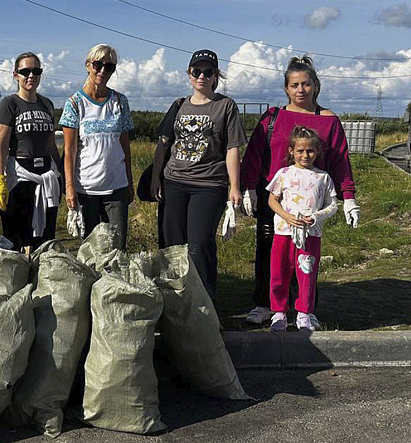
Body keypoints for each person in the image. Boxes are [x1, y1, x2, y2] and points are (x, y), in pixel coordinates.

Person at [240, 55, 360, 325]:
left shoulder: (329, 121)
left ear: (316, 85)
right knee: (270, 253)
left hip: (311, 203)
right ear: (286, 88)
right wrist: (249, 187)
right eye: (294, 85)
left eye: (306, 84)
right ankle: (266, 304)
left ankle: (304, 308)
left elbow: (340, 162)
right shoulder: (273, 117)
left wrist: (348, 197)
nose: (300, 90)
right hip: (276, 198)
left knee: (306, 256)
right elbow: (254, 155)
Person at [150, 49, 246, 300]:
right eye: (197, 71)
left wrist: (234, 186)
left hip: (209, 184)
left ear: (216, 76)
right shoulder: (179, 105)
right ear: (189, 74)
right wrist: (155, 178)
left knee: (199, 244)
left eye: (208, 71)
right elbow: (163, 144)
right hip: (174, 182)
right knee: (172, 244)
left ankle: (203, 302)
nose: (201, 76)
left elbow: (232, 147)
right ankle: (172, 300)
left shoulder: (225, 106)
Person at [59, 44, 134, 248]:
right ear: (88, 65)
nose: (102, 71)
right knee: (91, 250)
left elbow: (125, 145)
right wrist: (70, 188)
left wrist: (129, 180)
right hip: (86, 190)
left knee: (117, 248)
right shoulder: (75, 103)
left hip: (116, 189)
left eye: (109, 67)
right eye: (98, 64)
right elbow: (70, 151)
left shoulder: (120, 102)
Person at [267, 126, 338, 331]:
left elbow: (332, 205)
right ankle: (279, 312)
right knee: (279, 271)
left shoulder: (323, 177)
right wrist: (287, 216)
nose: (305, 155)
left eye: (310, 151)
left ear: (317, 152)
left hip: (310, 235)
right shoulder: (284, 174)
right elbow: (272, 200)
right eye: (300, 151)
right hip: (284, 232)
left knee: (307, 273)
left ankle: (305, 313)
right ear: (291, 151)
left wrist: (316, 217)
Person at [0, 52, 62, 251]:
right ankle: (16, 279)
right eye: (25, 71)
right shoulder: (9, 104)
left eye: (36, 71)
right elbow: (0, 145)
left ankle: (40, 278)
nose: (31, 76)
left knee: (44, 238)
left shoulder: (47, 104)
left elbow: (51, 144)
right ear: (16, 75)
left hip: (46, 175)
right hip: (21, 177)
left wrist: (61, 174)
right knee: (16, 237)